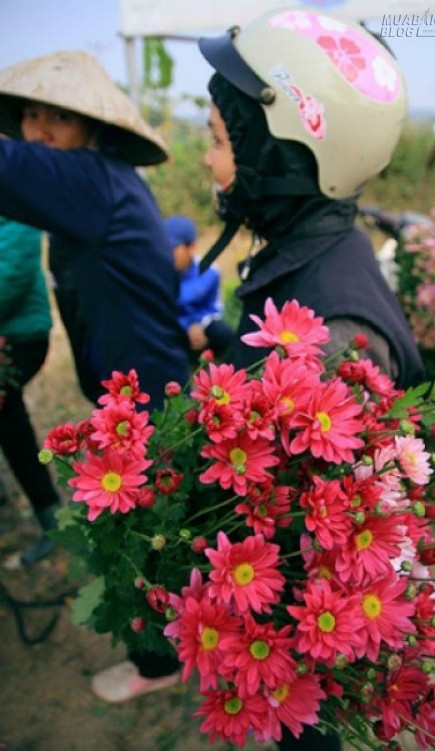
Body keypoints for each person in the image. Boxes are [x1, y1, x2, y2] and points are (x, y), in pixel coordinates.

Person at [197, 7, 425, 749]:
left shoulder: (339, 342)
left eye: (219, 140)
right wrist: (222, 340)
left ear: (283, 158)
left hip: (306, 627)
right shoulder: (314, 248)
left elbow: (317, 533)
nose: (207, 161)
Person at [0, 51, 190, 697]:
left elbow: (9, 166)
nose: (37, 130)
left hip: (147, 394)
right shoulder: (99, 183)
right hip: (135, 386)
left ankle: (160, 663)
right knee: (149, 524)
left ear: (94, 127)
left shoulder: (89, 180)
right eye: (30, 114)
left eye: (58, 117)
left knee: (142, 534)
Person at [0, 217, 62, 566]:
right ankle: (47, 515)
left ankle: (50, 517)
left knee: (9, 417)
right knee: (9, 420)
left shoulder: (11, 204)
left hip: (20, 335)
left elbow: (11, 273)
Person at [164, 214, 234, 356]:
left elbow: (215, 309)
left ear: (191, 247)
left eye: (173, 248)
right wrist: (185, 325)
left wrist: (199, 324)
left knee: (223, 333)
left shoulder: (210, 272)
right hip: (170, 326)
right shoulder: (157, 272)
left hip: (198, 328)